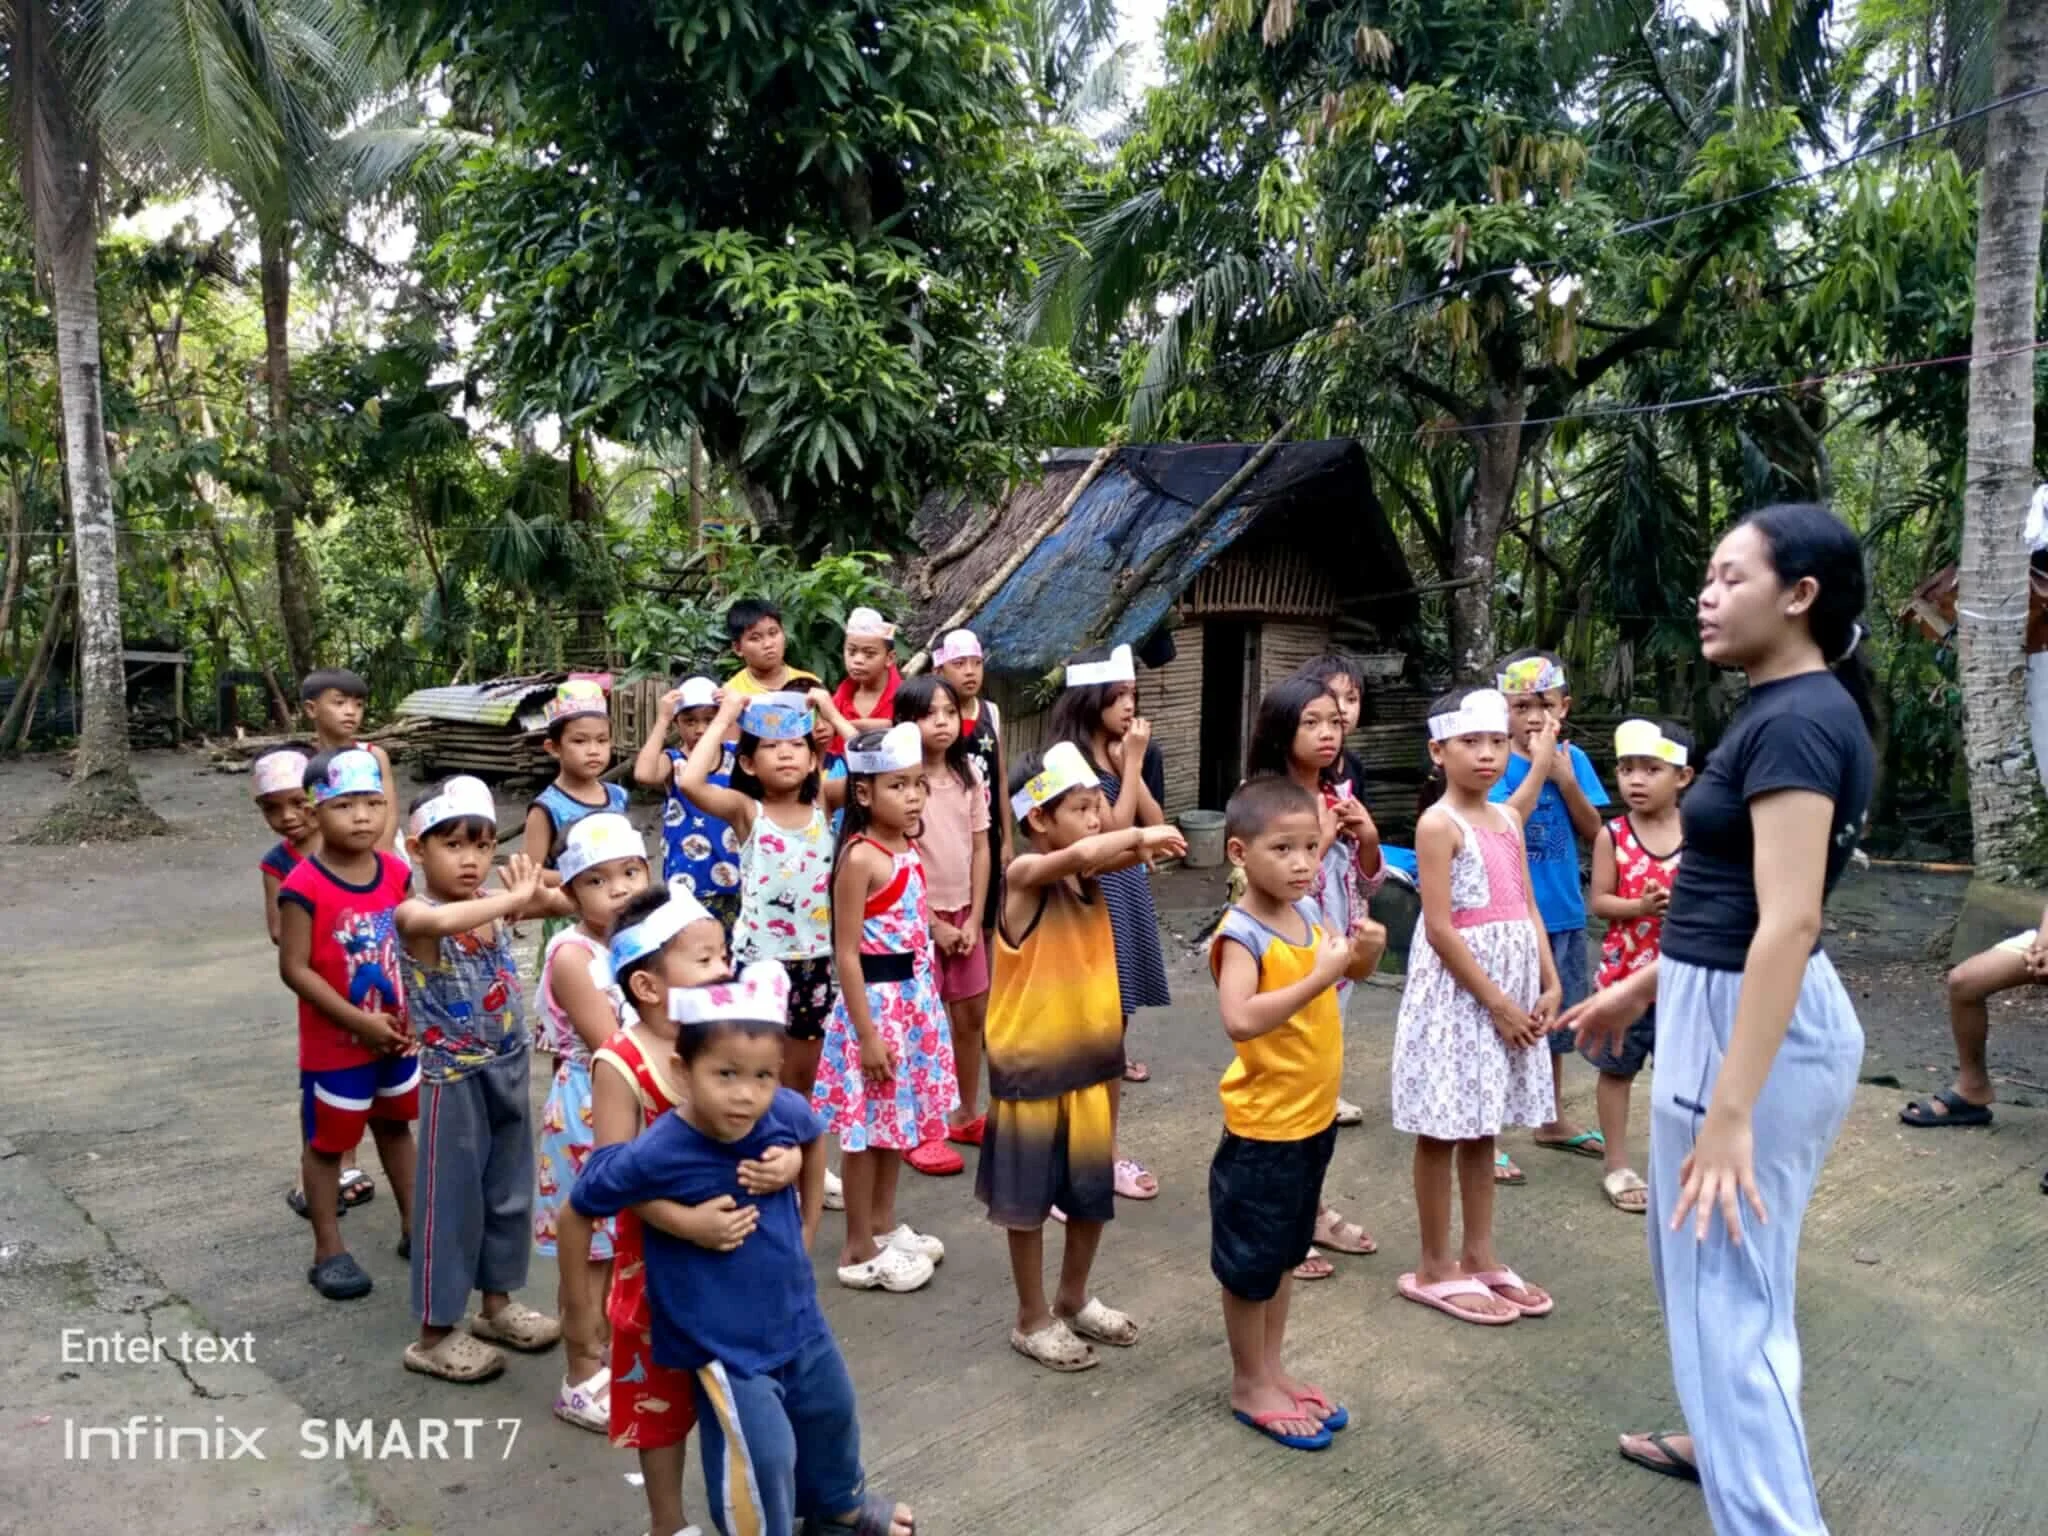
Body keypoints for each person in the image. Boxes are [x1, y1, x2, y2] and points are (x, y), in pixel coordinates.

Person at [1566, 503, 1875, 1533]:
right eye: (1706, 573)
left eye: (1730, 575)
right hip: (1720, 1004)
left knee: (1725, 1304)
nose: (1705, 592)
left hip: (1751, 1030)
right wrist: (1640, 984)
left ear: (1798, 597)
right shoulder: (1778, 707)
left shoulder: (1793, 721)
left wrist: (1729, 1114)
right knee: (1722, 1283)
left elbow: (1787, 922)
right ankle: (1722, 1434)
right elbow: (1728, 901)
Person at [567, 962, 916, 1536]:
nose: (745, 1095)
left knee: (832, 1415)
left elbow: (809, 1129)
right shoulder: (662, 1149)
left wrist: (805, 1217)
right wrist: (580, 1320)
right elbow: (585, 1197)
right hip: (724, 1348)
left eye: (761, 1076)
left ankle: (837, 1510)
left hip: (797, 1317)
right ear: (683, 1072)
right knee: (761, 1458)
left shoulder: (776, 1111)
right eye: (725, 1074)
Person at [557, 885, 759, 1536]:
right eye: (703, 960)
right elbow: (610, 1179)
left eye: (723, 954)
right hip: (656, 1269)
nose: (724, 969)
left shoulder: (731, 1038)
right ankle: (668, 1524)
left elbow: (775, 1123)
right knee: (660, 1406)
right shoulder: (622, 1062)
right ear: (646, 985)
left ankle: (758, 1510)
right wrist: (686, 1222)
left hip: (735, 1256)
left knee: (747, 1400)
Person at [980, 744, 1186, 1371]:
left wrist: (1138, 842)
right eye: (1081, 807)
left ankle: (1072, 1297)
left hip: (1092, 1063)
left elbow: (1100, 853)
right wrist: (1143, 832)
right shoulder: (1023, 877)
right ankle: (1030, 1316)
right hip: (1032, 1069)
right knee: (1026, 1201)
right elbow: (1092, 850)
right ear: (1039, 820)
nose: (1096, 818)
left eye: (1098, 806)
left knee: (1090, 1192)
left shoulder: (1090, 877)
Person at [1209, 776, 1372, 1449]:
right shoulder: (1241, 933)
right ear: (1240, 853)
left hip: (1311, 1121)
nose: (1304, 863)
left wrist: (1362, 953)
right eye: (1284, 849)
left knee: (1284, 1256)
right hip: (1263, 1130)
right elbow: (1240, 1020)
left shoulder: (1308, 915)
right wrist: (1319, 978)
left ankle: (1273, 1370)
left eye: (1311, 847)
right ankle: (1250, 1384)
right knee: (1252, 1264)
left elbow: (1347, 970)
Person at [1392, 688, 1558, 1327]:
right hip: (1459, 1000)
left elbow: (1527, 906)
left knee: (1484, 1125)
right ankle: (1435, 1265)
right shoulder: (1439, 824)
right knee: (1443, 1127)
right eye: (1471, 743)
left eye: (1496, 742)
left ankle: (1480, 1253)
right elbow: (1439, 927)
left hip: (1512, 993)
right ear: (1438, 751)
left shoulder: (1508, 820)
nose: (1487, 755)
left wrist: (1547, 982)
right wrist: (1496, 1003)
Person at [394, 777, 568, 1381]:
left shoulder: (495, 905)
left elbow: (572, 899)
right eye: (454, 845)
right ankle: (435, 1332)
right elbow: (446, 922)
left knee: (509, 1190)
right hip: (454, 1081)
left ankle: (496, 1304)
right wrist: (512, 896)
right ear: (418, 850)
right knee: (452, 1204)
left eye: (484, 846)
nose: (471, 860)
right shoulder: (417, 914)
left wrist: (583, 877)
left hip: (509, 1065)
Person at [1244, 676, 1387, 1278]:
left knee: (1322, 1091)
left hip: (1338, 961)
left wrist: (1369, 833)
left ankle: (1312, 1209)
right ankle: (1283, 1219)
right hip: (1283, 963)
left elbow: (1366, 881)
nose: (1329, 733)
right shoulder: (1260, 800)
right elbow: (1269, 884)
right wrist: (1323, 833)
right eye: (1312, 722)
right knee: (1285, 1093)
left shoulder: (1342, 791)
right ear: (1282, 729)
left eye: (1334, 721)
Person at [813, 723, 956, 1292]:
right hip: (874, 1009)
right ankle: (856, 1247)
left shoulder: (906, 847)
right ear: (865, 793)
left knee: (895, 1124)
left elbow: (908, 920)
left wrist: (940, 931)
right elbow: (846, 952)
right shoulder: (861, 856)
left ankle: (884, 1224)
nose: (914, 796)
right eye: (899, 786)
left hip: (913, 1004)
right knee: (866, 1131)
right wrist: (868, 1035)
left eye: (919, 784)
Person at [276, 748, 418, 1301]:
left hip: (397, 1036)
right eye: (345, 805)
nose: (362, 817)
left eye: (373, 804)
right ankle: (328, 1249)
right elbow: (293, 967)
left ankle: (415, 1226)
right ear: (316, 812)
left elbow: (414, 945)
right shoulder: (304, 885)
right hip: (335, 1044)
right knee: (328, 1142)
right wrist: (358, 1020)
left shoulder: (398, 874)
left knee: (395, 1126)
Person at [676, 689, 854, 1105]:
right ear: (748, 763)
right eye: (771, 747)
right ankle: (758, 1157)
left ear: (814, 758)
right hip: (759, 961)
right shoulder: (746, 810)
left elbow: (871, 771)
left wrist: (830, 711)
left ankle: (800, 1163)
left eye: (796, 746)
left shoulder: (824, 802)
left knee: (803, 1080)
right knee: (754, 1075)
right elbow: (689, 780)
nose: (786, 754)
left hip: (816, 960)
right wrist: (725, 719)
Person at [534, 811, 652, 1432]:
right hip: (588, 1109)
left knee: (624, 1245)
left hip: (636, 1106)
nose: (620, 889)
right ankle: (581, 1372)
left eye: (632, 872)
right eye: (599, 880)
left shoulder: (646, 941)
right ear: (573, 892)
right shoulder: (573, 955)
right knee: (589, 1254)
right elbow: (613, 1043)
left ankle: (612, 1357)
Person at [1047, 643, 1167, 1201]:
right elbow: (1114, 836)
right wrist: (1133, 763)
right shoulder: (1069, 763)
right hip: (1093, 897)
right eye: (1118, 696)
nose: (1128, 707)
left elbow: (1156, 826)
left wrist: (1132, 765)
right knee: (1085, 1031)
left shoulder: (1119, 755)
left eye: (1133, 696)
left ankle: (1103, 1147)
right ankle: (1083, 1151)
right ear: (1090, 699)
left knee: (1114, 1031)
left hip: (1128, 895)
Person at [1490, 648, 1610, 1166]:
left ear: (1564, 706)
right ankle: (1485, 1134)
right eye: (1520, 706)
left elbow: (1597, 832)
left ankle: (1550, 1119)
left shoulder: (1575, 761)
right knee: (1504, 1023)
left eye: (1544, 704)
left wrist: (1564, 778)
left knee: (1555, 1024)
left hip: (1563, 912)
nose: (1534, 716)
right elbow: (1503, 824)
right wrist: (1541, 767)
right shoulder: (1493, 761)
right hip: (1510, 919)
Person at [255, 746, 378, 1222]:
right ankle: (315, 1170)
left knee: (373, 1087)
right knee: (323, 1089)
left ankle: (349, 1162)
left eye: (296, 803)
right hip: (324, 992)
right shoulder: (279, 865)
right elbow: (278, 932)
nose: (287, 817)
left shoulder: (361, 851)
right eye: (271, 808)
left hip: (372, 987)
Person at [1582, 719, 1692, 1215]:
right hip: (1624, 980)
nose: (1636, 780)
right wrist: (1640, 909)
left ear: (1683, 777)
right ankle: (1617, 1164)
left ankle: (1679, 1164)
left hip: (1685, 980)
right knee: (1617, 1071)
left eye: (1652, 769)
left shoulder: (1700, 833)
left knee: (1681, 1076)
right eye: (1627, 769)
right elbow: (1600, 902)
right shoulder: (1614, 835)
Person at [894, 676, 988, 1176]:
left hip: (965, 916)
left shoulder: (969, 775)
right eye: (929, 714)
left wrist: (973, 915)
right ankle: (920, 1127)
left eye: (949, 712)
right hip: (913, 923)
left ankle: (965, 1112)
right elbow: (901, 856)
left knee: (970, 1017)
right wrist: (932, 925)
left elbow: (981, 847)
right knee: (921, 1026)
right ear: (906, 724)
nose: (942, 722)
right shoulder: (903, 784)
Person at [633, 675, 743, 938]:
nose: (700, 729)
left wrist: (733, 714)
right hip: (687, 880)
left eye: (709, 719)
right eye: (689, 721)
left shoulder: (737, 756)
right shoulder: (674, 760)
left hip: (737, 877)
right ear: (677, 723)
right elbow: (645, 774)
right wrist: (661, 720)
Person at [934, 628, 1009, 944]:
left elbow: (1001, 777)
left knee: (987, 922)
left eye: (976, 663)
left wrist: (1008, 841)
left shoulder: (990, 712)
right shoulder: (932, 722)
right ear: (939, 671)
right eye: (959, 663)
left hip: (985, 832)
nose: (969, 672)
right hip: (946, 833)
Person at [301, 667, 403, 858]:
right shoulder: (306, 762)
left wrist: (381, 858)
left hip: (379, 853)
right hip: (329, 856)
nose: (351, 712)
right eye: (339, 703)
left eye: (358, 705)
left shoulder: (374, 755)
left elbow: (389, 812)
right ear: (311, 709)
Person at [829, 606, 902, 756]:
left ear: (890, 658)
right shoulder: (838, 700)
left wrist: (845, 724)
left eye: (869, 654)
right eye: (852, 651)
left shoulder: (905, 697)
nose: (857, 660)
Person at [722, 598, 823, 698]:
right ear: (738, 648)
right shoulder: (731, 693)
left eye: (773, 633)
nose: (768, 644)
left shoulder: (811, 686)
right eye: (755, 638)